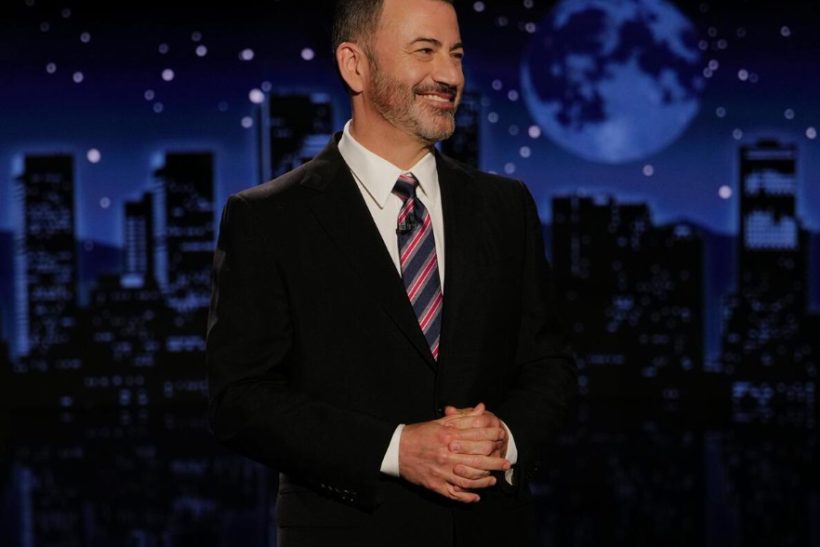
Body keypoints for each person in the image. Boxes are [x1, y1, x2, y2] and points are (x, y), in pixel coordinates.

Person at [206, 0, 577, 545]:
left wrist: (505, 437)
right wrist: (397, 449)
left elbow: (549, 366)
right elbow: (240, 398)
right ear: (354, 65)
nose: (450, 75)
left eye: (456, 55)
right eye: (425, 51)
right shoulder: (268, 218)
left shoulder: (505, 207)